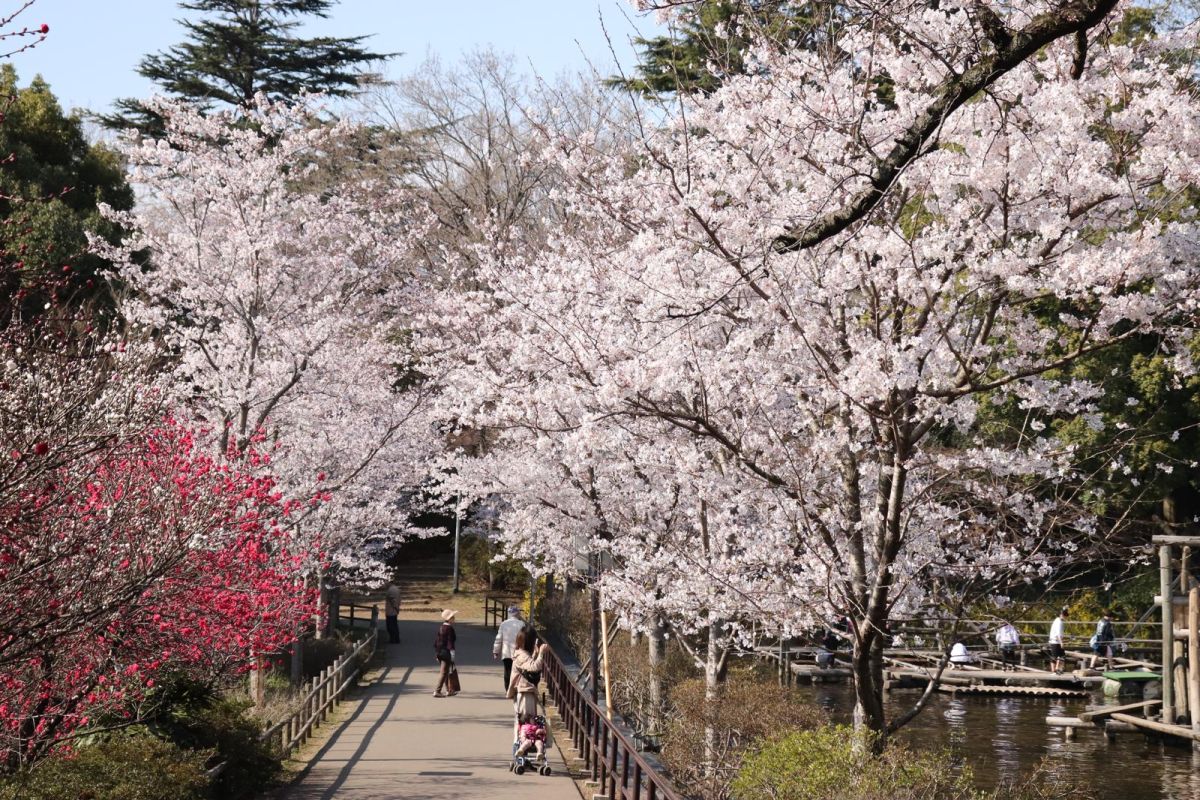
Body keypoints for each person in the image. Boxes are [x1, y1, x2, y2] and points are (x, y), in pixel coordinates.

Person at [507, 629, 548, 738]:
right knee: (527, 721)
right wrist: (541, 654)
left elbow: (528, 664)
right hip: (525, 692)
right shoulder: (523, 656)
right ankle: (523, 745)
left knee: (522, 721)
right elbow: (534, 667)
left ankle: (521, 744)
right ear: (529, 642)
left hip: (523, 690)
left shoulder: (520, 653)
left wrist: (535, 654)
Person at [493, 605, 525, 692]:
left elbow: (499, 638)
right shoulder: (521, 624)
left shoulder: (504, 624)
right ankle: (516, 688)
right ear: (517, 613)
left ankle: (507, 689)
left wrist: (496, 651)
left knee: (507, 671)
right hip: (518, 652)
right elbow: (524, 638)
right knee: (518, 671)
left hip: (506, 652)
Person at [433, 609, 458, 697]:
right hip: (446, 652)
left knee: (446, 671)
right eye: (453, 617)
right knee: (444, 672)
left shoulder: (441, 627)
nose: (454, 618)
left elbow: (437, 642)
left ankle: (449, 690)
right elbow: (450, 641)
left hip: (440, 652)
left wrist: (437, 653)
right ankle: (437, 691)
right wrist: (452, 652)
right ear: (450, 619)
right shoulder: (449, 628)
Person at [1048, 607, 1068, 674]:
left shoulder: (1057, 620)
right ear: (1062, 615)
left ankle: (1057, 669)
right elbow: (1058, 634)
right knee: (1055, 656)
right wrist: (1061, 642)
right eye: (1065, 616)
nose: (1065, 617)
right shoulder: (1059, 622)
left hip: (1056, 641)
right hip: (1055, 642)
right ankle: (1054, 670)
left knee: (1061, 656)